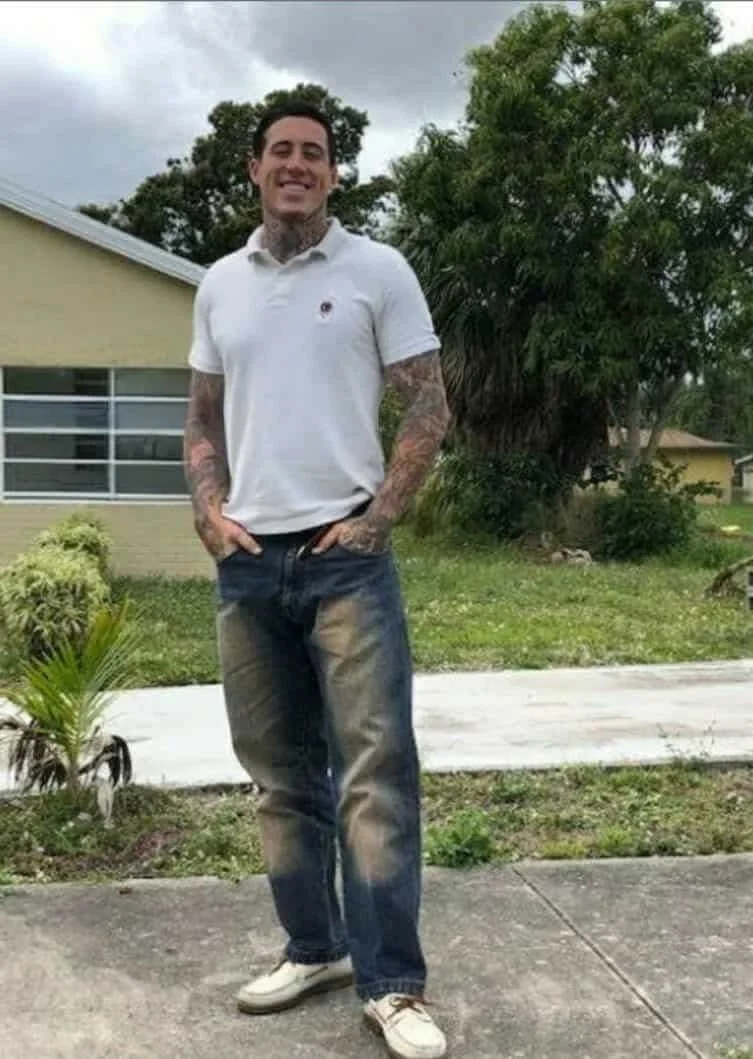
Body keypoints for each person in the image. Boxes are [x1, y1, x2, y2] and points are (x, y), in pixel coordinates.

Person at [183, 99, 450, 1059]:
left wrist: (379, 517)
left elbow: (429, 406)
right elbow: (202, 417)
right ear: (254, 169)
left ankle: (392, 984)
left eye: (316, 153)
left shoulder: (377, 270)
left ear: (333, 175)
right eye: (281, 152)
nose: (298, 164)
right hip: (250, 567)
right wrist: (207, 511)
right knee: (278, 776)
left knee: (374, 773)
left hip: (346, 562)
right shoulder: (220, 284)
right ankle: (313, 947)